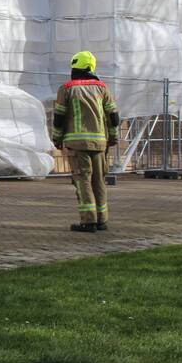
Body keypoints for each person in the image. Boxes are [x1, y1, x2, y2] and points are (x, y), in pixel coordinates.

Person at [51, 51, 120, 233]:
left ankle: (88, 221)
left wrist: (56, 138)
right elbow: (113, 116)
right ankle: (102, 220)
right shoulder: (103, 88)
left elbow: (59, 117)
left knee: (83, 181)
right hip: (100, 143)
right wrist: (112, 138)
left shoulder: (66, 89)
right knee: (99, 181)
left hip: (77, 144)